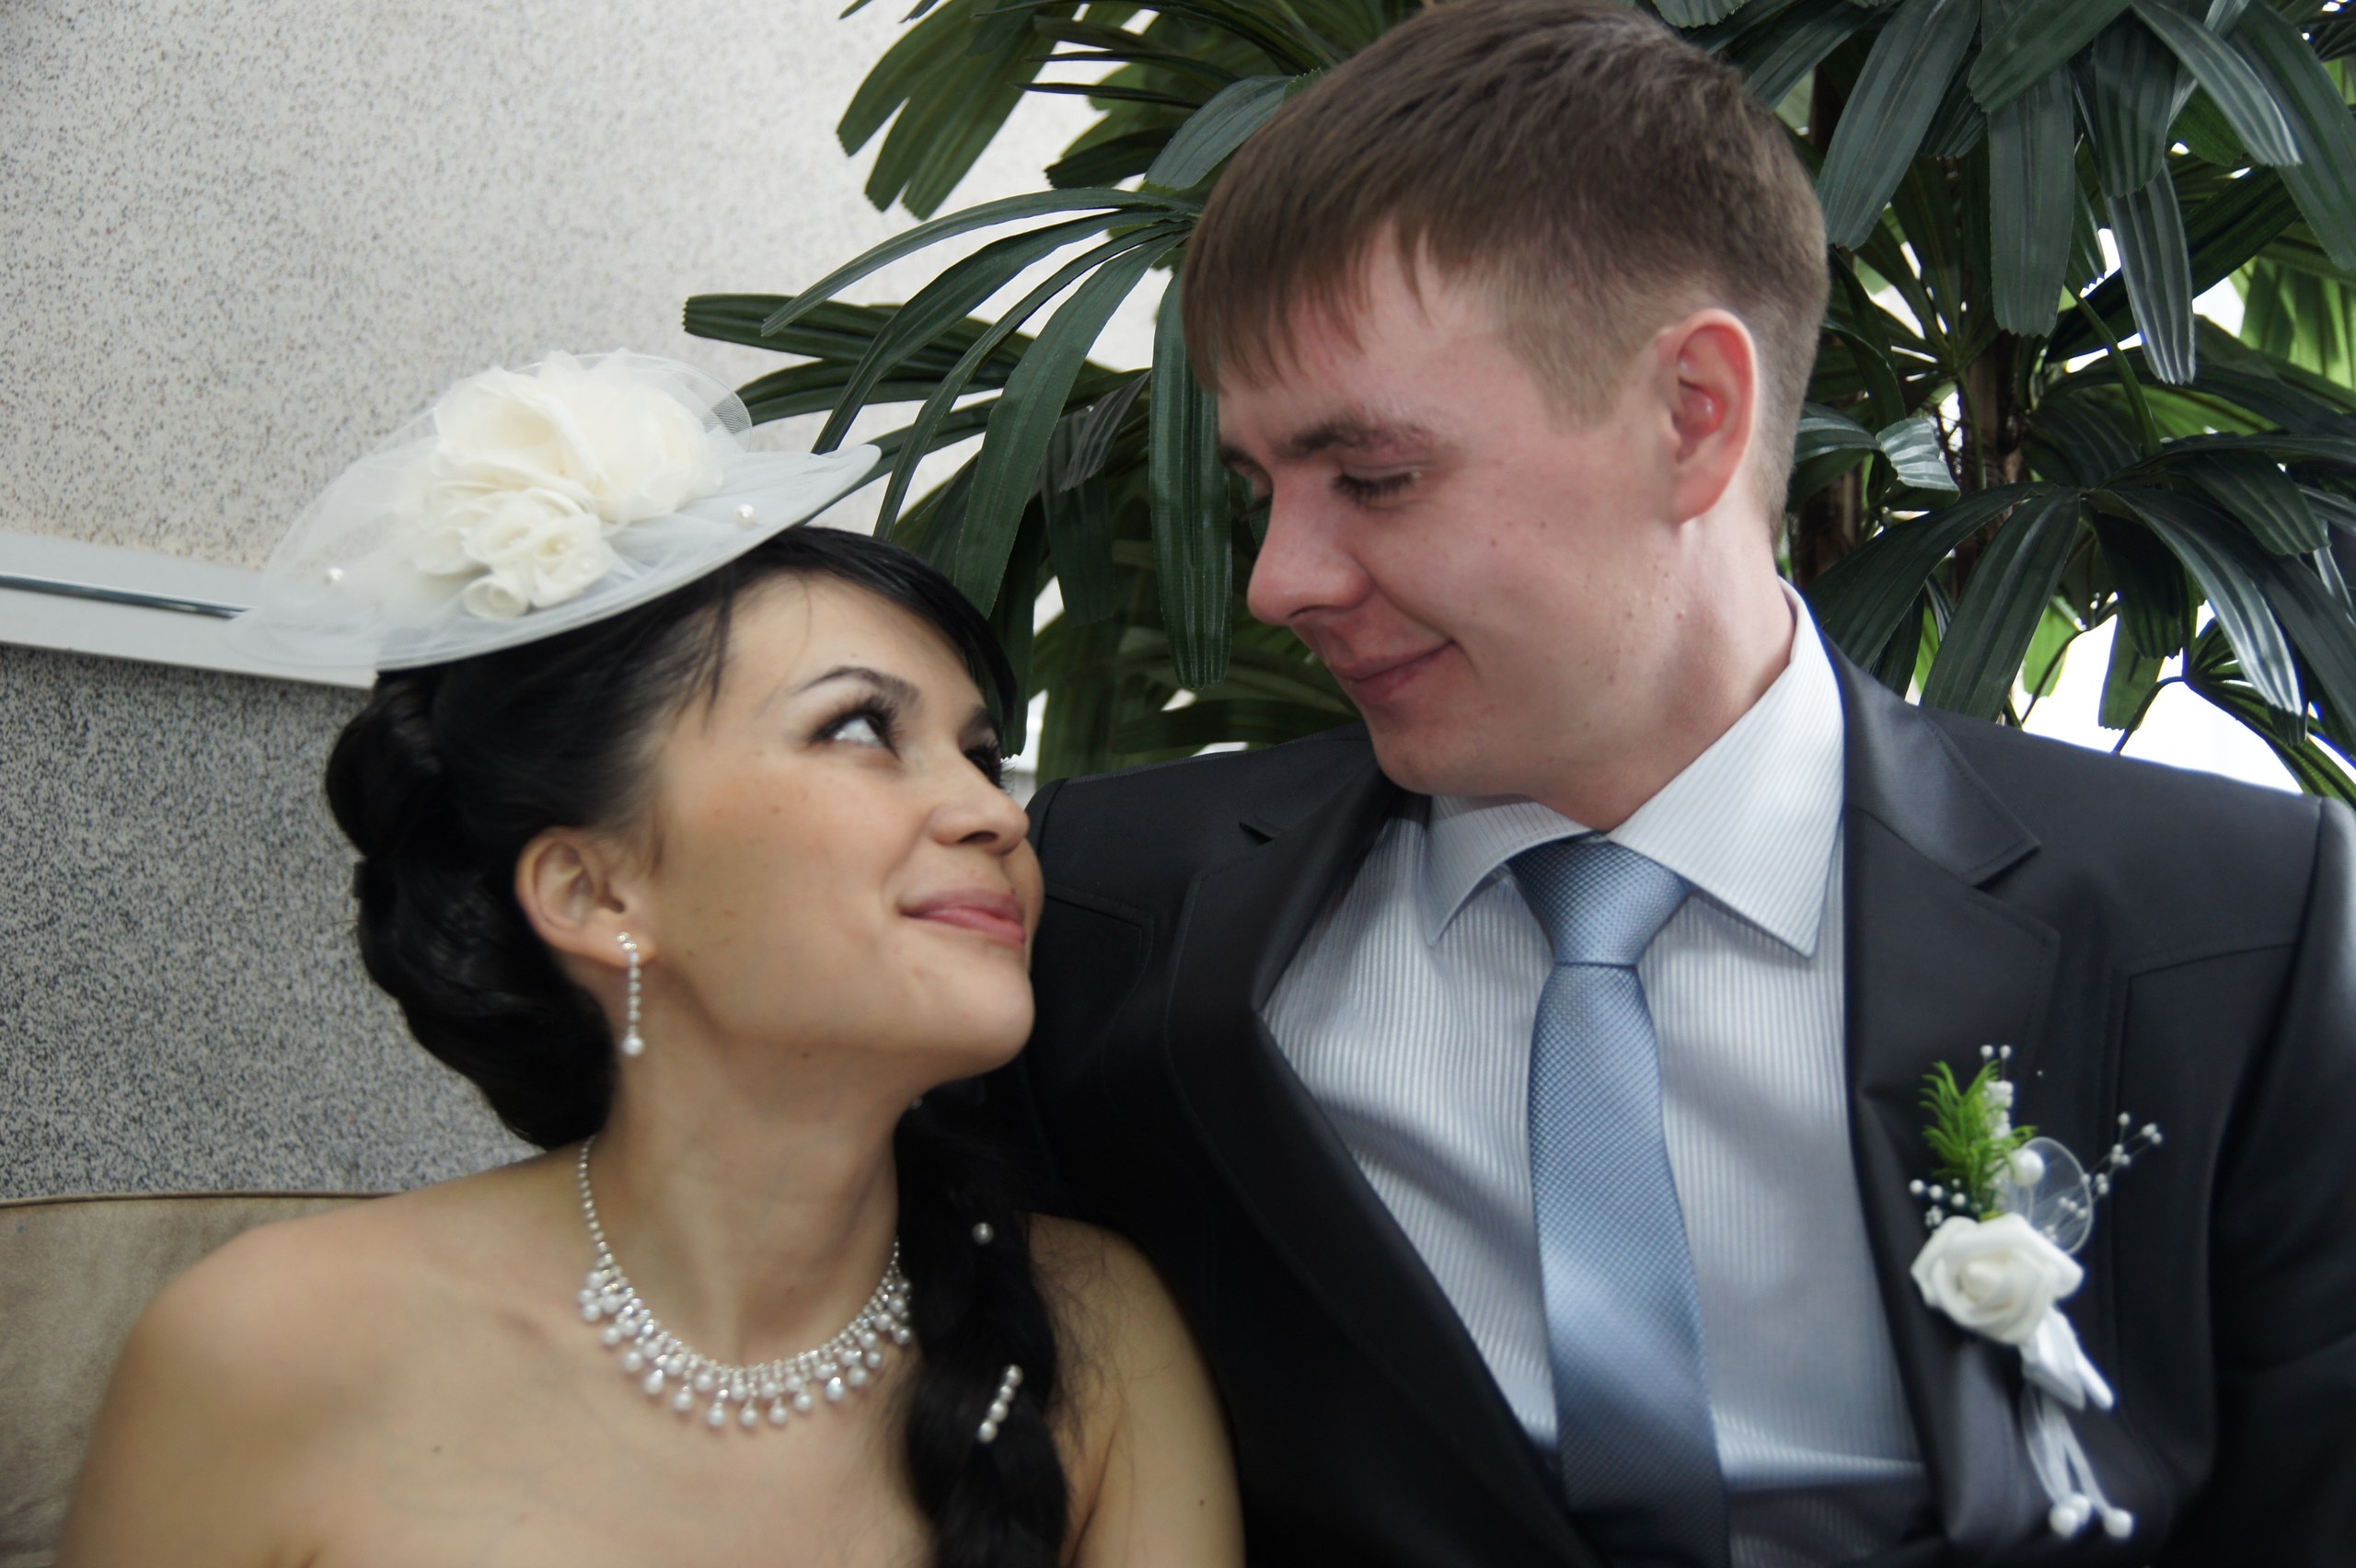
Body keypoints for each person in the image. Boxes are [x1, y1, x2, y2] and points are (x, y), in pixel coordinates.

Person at [1001, 4, 2356, 1565]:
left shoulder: (2232, 929)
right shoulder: (1110, 912)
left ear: (1690, 417)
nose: (1278, 582)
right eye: (1261, 491)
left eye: (1373, 477)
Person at [61, 351, 1242, 1567]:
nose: (995, 815)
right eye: (857, 728)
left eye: (983, 757)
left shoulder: (1098, 1335)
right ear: (594, 891)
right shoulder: (267, 1343)